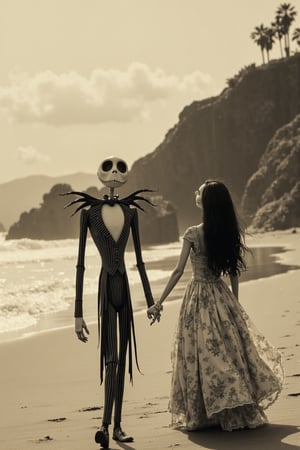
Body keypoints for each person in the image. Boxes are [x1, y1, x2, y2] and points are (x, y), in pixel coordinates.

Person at [147, 179, 283, 431]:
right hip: (221, 297)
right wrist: (235, 303)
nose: (195, 192)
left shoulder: (192, 233)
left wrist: (159, 302)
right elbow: (233, 272)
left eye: (198, 191)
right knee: (228, 351)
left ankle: (207, 412)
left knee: (200, 353)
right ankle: (234, 404)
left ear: (205, 201)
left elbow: (178, 271)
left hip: (197, 296)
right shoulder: (227, 231)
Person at [65, 157, 155, 449]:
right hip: (106, 288)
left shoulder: (130, 212)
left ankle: (116, 426)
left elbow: (140, 260)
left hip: (125, 291)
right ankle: (104, 426)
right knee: (112, 359)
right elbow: (80, 265)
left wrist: (151, 301)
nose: (115, 173)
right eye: (109, 168)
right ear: (101, 174)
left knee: (123, 359)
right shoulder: (88, 214)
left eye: (120, 168)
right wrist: (77, 314)